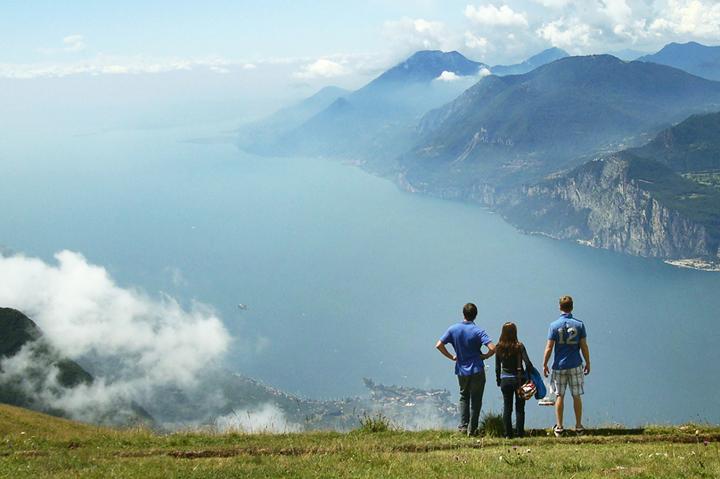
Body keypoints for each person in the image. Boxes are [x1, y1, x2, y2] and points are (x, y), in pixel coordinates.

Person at [436, 303, 496, 436]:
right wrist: (485, 356)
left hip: (461, 370)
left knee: (464, 396)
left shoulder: (453, 329)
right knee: (476, 399)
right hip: (477, 370)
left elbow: (439, 345)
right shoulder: (478, 331)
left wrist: (451, 356)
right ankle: (472, 429)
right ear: (475, 315)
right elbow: (493, 348)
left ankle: (463, 426)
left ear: (463, 314)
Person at [543, 295, 590, 436]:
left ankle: (559, 427)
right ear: (572, 307)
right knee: (576, 395)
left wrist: (545, 363)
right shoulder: (579, 325)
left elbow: (549, 347)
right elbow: (584, 346)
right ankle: (579, 427)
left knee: (559, 396)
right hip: (576, 364)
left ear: (559, 307)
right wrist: (588, 362)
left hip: (559, 366)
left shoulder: (554, 325)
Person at [495, 322, 533, 438]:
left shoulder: (498, 347)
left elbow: (497, 367)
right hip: (519, 380)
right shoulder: (519, 346)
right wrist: (529, 376)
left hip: (505, 380)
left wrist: (498, 380)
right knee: (520, 407)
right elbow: (528, 363)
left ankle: (508, 434)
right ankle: (520, 433)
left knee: (507, 407)